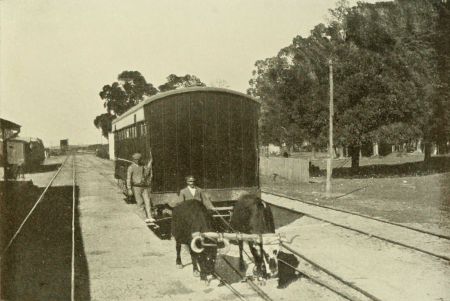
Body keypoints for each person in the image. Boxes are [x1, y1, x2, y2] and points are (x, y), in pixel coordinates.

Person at [127, 152, 155, 223]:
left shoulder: (142, 166)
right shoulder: (131, 168)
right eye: (136, 159)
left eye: (139, 159)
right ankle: (143, 217)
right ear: (133, 159)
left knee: (147, 201)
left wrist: (149, 165)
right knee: (140, 202)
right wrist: (129, 189)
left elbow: (146, 173)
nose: (137, 160)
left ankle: (150, 217)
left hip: (144, 186)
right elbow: (128, 179)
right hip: (136, 187)